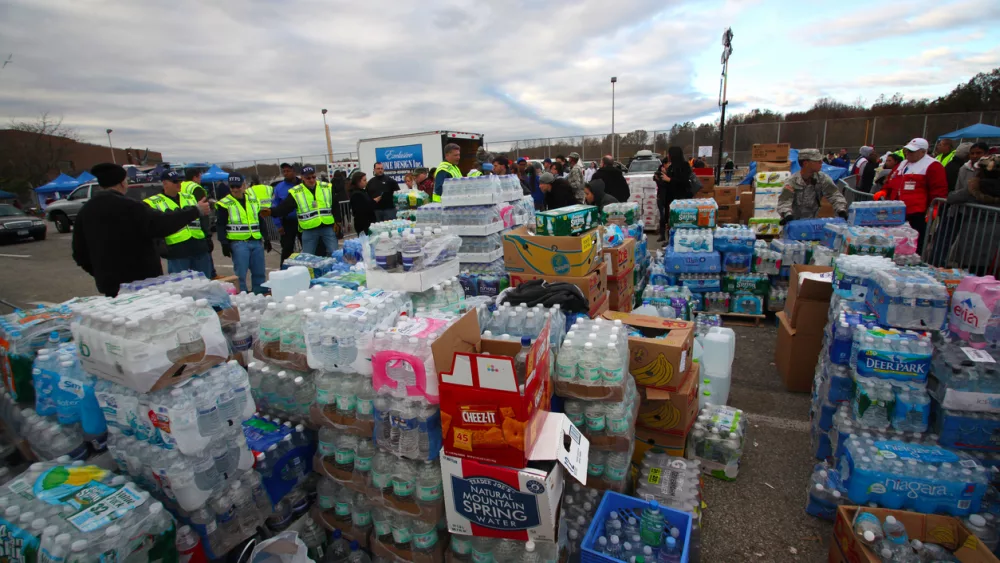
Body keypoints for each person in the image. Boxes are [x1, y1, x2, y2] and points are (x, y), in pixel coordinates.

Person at [72, 163, 211, 297]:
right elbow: (161, 224)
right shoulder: (130, 207)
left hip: (110, 284)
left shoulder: (85, 211)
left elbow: (79, 253)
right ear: (122, 183)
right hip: (141, 282)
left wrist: (101, 272)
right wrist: (195, 211)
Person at [875, 138, 948, 252]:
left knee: (915, 239)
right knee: (895, 238)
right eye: (907, 151)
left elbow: (939, 189)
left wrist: (934, 208)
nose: (908, 153)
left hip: (917, 211)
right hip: (897, 210)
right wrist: (884, 191)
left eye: (912, 151)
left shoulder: (932, 165)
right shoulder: (903, 164)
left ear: (923, 152)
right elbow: (892, 180)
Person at [144, 170, 214, 278]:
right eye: (175, 181)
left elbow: (202, 219)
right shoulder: (153, 202)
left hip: (199, 247)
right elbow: (154, 226)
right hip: (177, 251)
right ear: (165, 183)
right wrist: (160, 246)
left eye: (180, 181)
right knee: (182, 287)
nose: (179, 184)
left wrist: (208, 238)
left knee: (205, 284)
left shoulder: (189, 197)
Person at [945, 154, 1000, 276]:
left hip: (974, 233)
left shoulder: (975, 186)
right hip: (996, 237)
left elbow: (952, 197)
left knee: (970, 272)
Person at [268, 165, 339, 256]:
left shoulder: (326, 187)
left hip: (327, 227)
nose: (311, 180)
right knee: (308, 256)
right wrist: (272, 211)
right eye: (308, 178)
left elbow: (335, 205)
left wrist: (338, 221)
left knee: (334, 253)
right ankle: (310, 270)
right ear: (302, 178)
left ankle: (335, 269)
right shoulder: (297, 191)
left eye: (313, 177)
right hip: (309, 229)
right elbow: (285, 207)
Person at [216, 174, 269, 294]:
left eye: (238, 186)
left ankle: (260, 294)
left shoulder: (253, 200)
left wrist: (267, 238)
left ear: (244, 185)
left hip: (256, 241)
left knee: (259, 272)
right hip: (239, 244)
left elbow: (260, 220)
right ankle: (243, 297)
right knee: (240, 275)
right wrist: (224, 243)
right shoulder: (225, 203)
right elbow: (220, 225)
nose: (235, 189)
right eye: (232, 186)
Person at [777, 148, 849, 223]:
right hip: (794, 224)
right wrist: (787, 214)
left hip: (812, 223)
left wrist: (841, 210)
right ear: (806, 163)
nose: (821, 162)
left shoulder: (822, 178)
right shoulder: (792, 182)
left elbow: (834, 194)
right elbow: (784, 201)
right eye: (817, 161)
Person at [655, 147, 693, 241]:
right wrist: (660, 178)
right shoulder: (671, 167)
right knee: (670, 223)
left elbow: (684, 182)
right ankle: (670, 241)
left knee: (680, 223)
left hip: (680, 200)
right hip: (670, 200)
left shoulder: (684, 166)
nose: (668, 156)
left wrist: (670, 179)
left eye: (669, 154)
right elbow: (667, 184)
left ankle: (680, 241)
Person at [272, 163, 302, 265]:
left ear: (293, 171)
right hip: (288, 222)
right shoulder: (279, 188)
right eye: (284, 171)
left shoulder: (302, 184)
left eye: (288, 171)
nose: (286, 173)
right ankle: (284, 269)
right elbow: (274, 205)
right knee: (287, 248)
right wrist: (278, 225)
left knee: (307, 247)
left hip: (304, 221)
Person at [348, 171, 378, 235]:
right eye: (364, 180)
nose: (366, 182)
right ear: (358, 181)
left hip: (368, 222)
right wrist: (374, 202)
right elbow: (363, 209)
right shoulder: (356, 194)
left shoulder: (362, 191)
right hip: (363, 224)